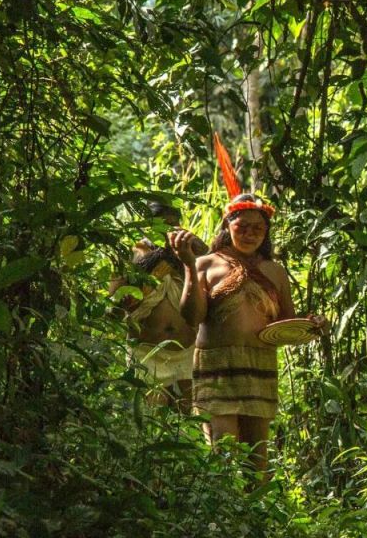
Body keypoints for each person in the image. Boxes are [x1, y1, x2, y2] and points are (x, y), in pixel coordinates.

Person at [168, 192, 325, 477]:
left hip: (259, 367)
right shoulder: (206, 264)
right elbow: (192, 317)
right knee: (224, 456)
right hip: (217, 367)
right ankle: (223, 519)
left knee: (257, 463)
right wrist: (189, 264)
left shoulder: (274, 271)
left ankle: (257, 517)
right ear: (227, 226)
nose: (250, 234)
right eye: (242, 227)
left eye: (258, 229)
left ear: (266, 233)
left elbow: (286, 323)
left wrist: (311, 324)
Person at [109, 201, 207, 412]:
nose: (167, 230)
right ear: (147, 225)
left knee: (186, 421)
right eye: (161, 225)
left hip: (186, 351)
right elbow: (114, 304)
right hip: (146, 352)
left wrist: (188, 255)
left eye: (173, 224)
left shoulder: (191, 252)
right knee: (150, 420)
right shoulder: (132, 253)